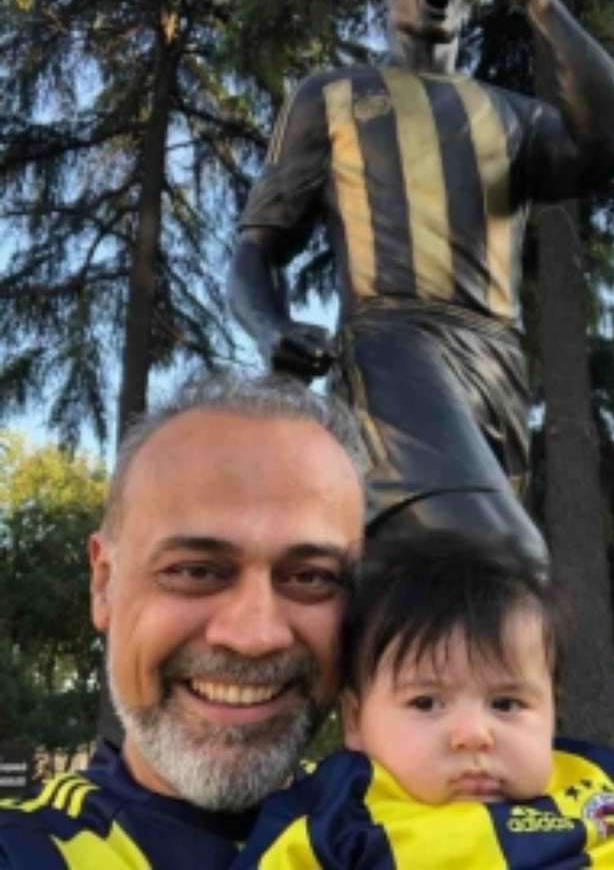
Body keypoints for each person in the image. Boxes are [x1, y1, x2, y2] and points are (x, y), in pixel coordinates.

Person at [229, 0, 614, 564]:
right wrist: (268, 326)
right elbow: (257, 250)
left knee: (452, 583)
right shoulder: (332, 97)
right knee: (498, 548)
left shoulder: (514, 117)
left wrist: (543, 3)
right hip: (390, 345)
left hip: (497, 366)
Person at [0, 372, 367, 869]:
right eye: (195, 571)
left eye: (310, 577)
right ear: (104, 584)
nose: (254, 637)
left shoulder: (423, 833)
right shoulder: (24, 847)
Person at [236, 531, 614, 869]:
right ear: (356, 720)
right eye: (426, 703)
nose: (474, 733)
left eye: (507, 704)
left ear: (550, 710)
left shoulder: (584, 776)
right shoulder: (339, 808)